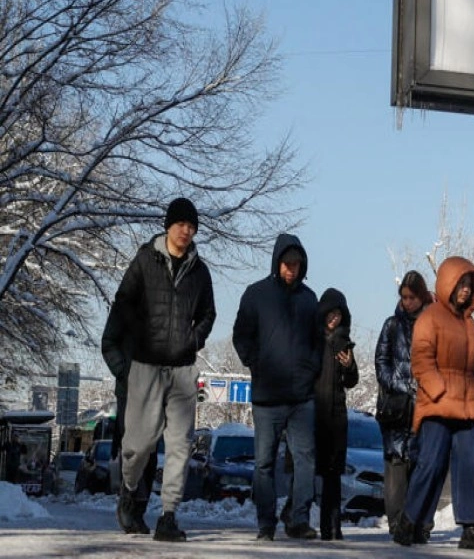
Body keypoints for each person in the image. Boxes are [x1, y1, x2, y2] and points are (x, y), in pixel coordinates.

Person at [105, 197, 215, 542]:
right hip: (146, 365)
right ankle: (129, 486)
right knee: (139, 444)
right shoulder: (144, 260)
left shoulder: (200, 271)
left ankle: (168, 515)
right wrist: (128, 353)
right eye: (181, 224)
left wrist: (193, 339)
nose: (186, 230)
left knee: (180, 445)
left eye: (192, 226)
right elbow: (122, 304)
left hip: (182, 369)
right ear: (168, 225)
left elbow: (209, 313)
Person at [393, 256, 474, 552]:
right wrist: (439, 391)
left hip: (467, 405)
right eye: (461, 283)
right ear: (448, 283)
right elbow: (421, 360)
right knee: (431, 463)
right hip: (439, 404)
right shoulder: (430, 317)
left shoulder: (469, 324)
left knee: (469, 465)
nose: (465, 290)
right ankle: (410, 521)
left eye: (469, 285)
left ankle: (471, 529)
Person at [232, 234, 323, 542]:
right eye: (287, 264)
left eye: (297, 265)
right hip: (267, 397)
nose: (291, 271)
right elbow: (241, 335)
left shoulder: (310, 299)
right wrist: (255, 363)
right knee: (264, 463)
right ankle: (265, 523)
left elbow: (318, 342)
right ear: (277, 263)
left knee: (305, 459)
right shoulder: (256, 294)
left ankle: (298, 519)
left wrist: (310, 370)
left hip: (301, 397)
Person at [374, 270, 433, 541]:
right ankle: (398, 524)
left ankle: (418, 524)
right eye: (404, 297)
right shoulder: (392, 325)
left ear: (422, 297)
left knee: (421, 464)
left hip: (425, 404)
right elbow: (381, 362)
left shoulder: (434, 323)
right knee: (396, 464)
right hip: (397, 406)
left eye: (412, 297)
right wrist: (399, 384)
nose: (407, 302)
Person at [100, 305, 159, 531]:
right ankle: (128, 501)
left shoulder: (165, 301)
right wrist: (124, 372)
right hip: (129, 388)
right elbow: (108, 342)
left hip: (157, 387)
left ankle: (140, 509)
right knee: (134, 449)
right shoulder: (126, 302)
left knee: (151, 452)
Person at [313, 288, 358, 540]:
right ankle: (303, 517)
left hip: (337, 415)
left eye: (338, 314)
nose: (334, 319)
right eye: (330, 313)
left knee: (333, 474)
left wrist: (348, 366)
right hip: (315, 412)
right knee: (311, 469)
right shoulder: (314, 341)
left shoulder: (345, 343)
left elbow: (353, 380)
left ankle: (334, 526)